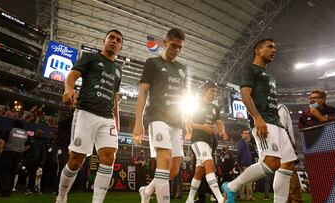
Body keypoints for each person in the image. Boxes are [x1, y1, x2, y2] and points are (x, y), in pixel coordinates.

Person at [221, 38, 298, 203]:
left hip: (276, 123)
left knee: (288, 164)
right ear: (258, 50)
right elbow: (245, 95)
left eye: (275, 47)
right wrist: (257, 118)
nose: (274, 50)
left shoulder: (271, 77)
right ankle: (232, 186)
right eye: (270, 47)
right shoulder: (249, 69)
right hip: (263, 122)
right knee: (271, 163)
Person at [56, 29, 123, 203]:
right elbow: (72, 75)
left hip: (107, 118)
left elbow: (115, 97)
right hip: (85, 112)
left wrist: (117, 120)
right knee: (76, 161)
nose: (114, 41)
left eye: (118, 40)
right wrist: (69, 89)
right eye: (111, 38)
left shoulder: (118, 70)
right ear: (104, 40)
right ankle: (61, 197)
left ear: (120, 47)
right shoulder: (91, 57)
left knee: (109, 157)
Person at [133, 28, 187, 203]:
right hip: (157, 116)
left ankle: (147, 191)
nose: (176, 50)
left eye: (180, 47)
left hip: (176, 121)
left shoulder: (182, 68)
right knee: (164, 161)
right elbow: (143, 93)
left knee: (173, 170)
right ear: (165, 42)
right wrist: (138, 122)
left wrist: (187, 120)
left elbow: (183, 96)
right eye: (173, 45)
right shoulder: (152, 63)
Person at [185, 80, 228, 203]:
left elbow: (219, 123)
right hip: (198, 140)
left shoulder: (216, 108)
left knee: (199, 171)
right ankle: (220, 199)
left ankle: (189, 199)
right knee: (210, 165)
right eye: (212, 91)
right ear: (205, 91)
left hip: (209, 142)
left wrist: (222, 132)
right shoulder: (196, 104)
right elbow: (189, 122)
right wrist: (202, 127)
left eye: (216, 91)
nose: (215, 93)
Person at [278, 104, 303, 203]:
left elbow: (282, 127)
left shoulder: (279, 107)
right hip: (277, 148)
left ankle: (296, 200)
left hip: (284, 146)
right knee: (283, 178)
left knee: (290, 175)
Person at [0, 120, 29, 196]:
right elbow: (28, 145)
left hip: (8, 153)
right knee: (12, 172)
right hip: (19, 155)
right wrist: (21, 149)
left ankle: (3, 191)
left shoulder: (10, 130)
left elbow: (0, 142)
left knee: (4, 172)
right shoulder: (26, 133)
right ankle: (9, 190)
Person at [237, 129, 255, 201]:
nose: (247, 134)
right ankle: (245, 196)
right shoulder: (241, 143)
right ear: (241, 134)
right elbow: (239, 154)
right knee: (246, 181)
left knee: (246, 181)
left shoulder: (245, 142)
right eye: (245, 133)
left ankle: (245, 196)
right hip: (244, 164)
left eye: (247, 133)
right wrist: (238, 163)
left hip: (247, 164)